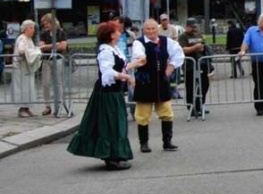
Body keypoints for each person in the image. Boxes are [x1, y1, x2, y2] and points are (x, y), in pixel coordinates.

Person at [67, 21, 138, 170]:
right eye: (117, 31)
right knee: (111, 125)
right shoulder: (105, 50)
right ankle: (111, 158)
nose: (120, 33)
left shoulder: (113, 49)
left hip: (115, 92)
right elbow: (108, 73)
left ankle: (115, 155)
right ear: (111, 35)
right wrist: (128, 78)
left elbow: (119, 67)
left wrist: (135, 64)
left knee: (117, 123)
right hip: (107, 94)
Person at [131, 19, 185, 152]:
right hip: (145, 82)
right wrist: (141, 58)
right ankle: (144, 143)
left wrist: (170, 68)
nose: (151, 31)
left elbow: (178, 54)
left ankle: (167, 142)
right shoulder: (139, 42)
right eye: (148, 29)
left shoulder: (166, 41)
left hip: (162, 81)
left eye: (153, 29)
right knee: (143, 116)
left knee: (167, 112)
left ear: (157, 29)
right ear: (144, 30)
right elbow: (138, 54)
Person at [179, 18, 211, 118]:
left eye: (195, 26)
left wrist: (203, 47)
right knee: (190, 87)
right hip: (189, 65)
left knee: (204, 84)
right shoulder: (183, 36)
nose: (194, 29)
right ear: (187, 27)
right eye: (192, 27)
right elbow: (183, 50)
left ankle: (200, 105)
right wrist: (195, 47)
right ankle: (191, 107)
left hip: (201, 64)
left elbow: (203, 45)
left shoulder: (199, 35)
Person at [38, 13, 68, 116]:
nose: (46, 26)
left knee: (58, 82)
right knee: (45, 83)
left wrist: (48, 46)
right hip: (46, 60)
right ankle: (47, 106)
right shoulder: (44, 34)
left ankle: (59, 104)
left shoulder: (61, 32)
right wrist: (55, 45)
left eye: (47, 23)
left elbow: (63, 46)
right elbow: (41, 47)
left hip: (58, 59)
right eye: (44, 24)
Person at [12, 20, 41, 118]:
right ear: (25, 29)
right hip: (21, 68)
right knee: (23, 88)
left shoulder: (29, 39)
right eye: (31, 28)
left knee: (29, 88)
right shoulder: (22, 38)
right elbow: (21, 50)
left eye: (33, 28)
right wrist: (35, 51)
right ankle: (22, 109)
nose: (33, 30)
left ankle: (27, 108)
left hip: (27, 69)